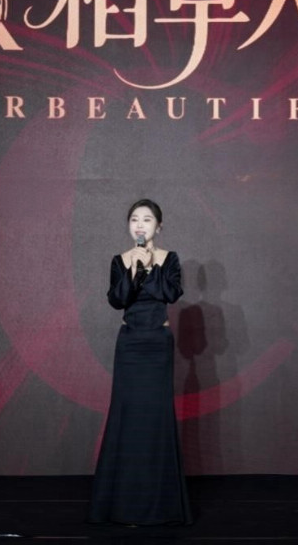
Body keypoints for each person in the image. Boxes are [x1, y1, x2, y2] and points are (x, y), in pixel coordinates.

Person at [88, 199, 192, 525]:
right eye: (134, 219)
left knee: (155, 419)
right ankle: (121, 505)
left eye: (147, 220)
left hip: (157, 345)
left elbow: (171, 294)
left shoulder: (169, 259)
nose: (140, 225)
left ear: (158, 227)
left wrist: (152, 266)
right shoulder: (120, 260)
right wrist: (134, 268)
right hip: (130, 346)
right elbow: (117, 299)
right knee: (128, 418)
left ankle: (161, 506)